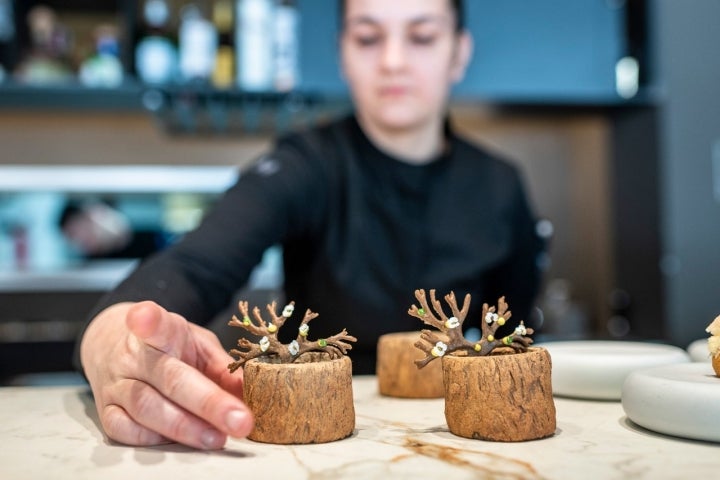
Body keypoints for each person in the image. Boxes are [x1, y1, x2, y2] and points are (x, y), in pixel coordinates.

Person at [75, 0, 545, 450]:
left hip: (466, 443)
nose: (393, 61)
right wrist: (113, 334)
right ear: (343, 51)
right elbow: (197, 263)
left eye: (421, 36)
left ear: (459, 53)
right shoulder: (305, 165)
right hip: (319, 444)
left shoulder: (500, 185)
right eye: (368, 38)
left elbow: (515, 338)